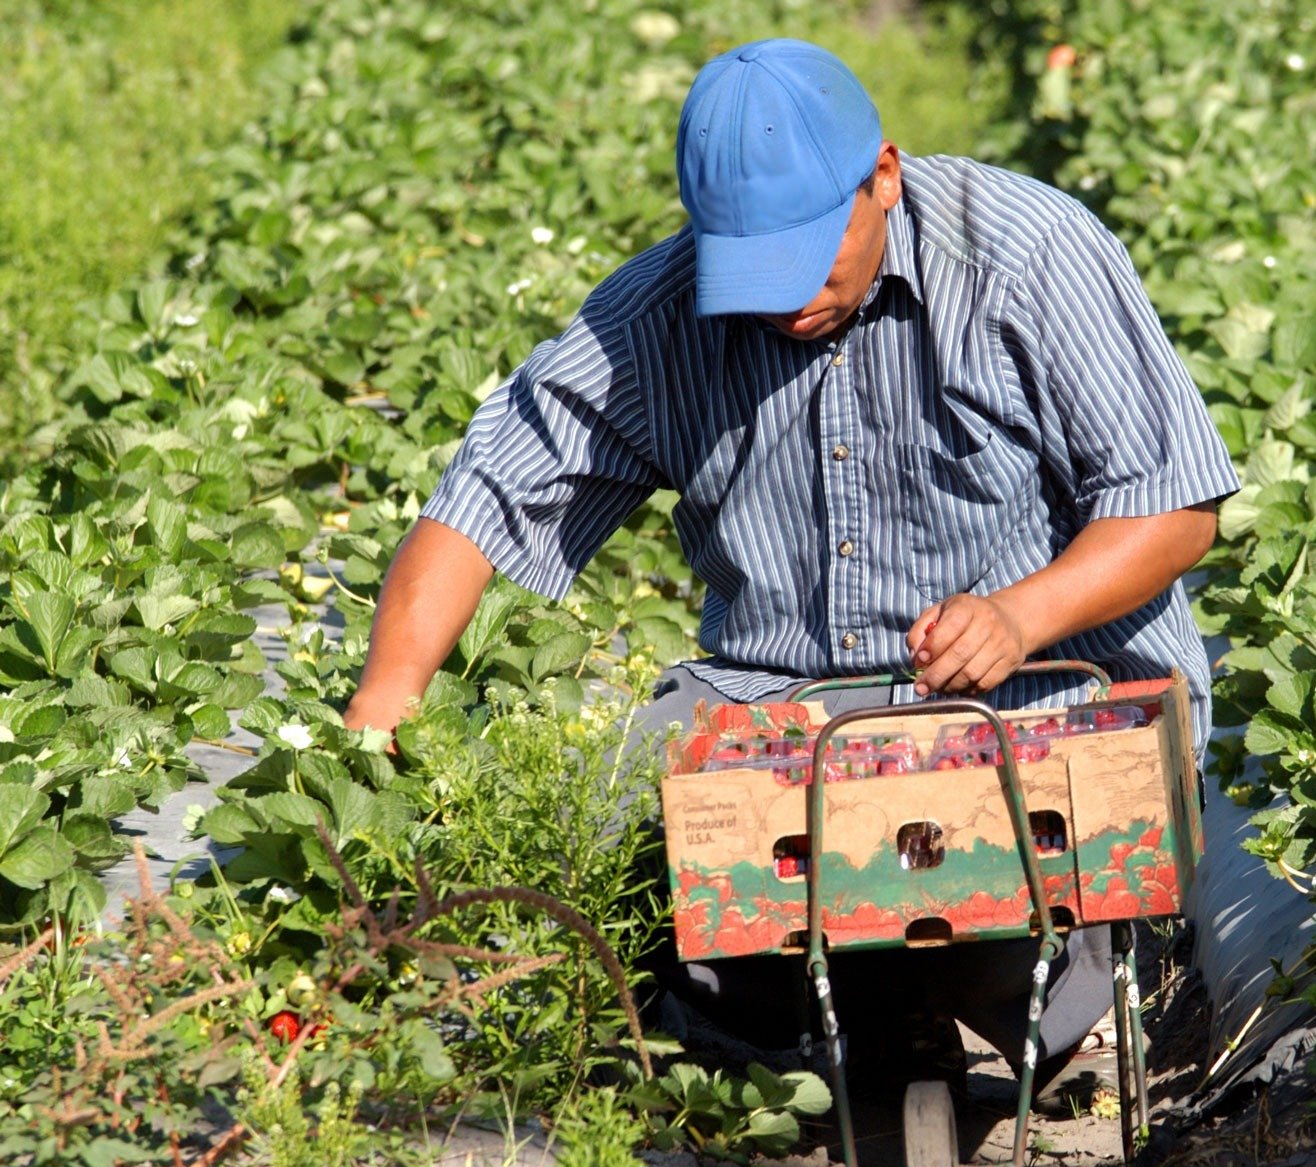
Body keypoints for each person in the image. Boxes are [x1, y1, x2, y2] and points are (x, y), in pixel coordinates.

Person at [343, 38, 1238, 1105]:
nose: (787, 305)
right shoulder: (656, 317)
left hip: (1033, 687)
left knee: (1046, 887)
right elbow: (488, 495)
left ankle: (1056, 999)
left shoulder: (1028, 254)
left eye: (811, 260)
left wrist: (1018, 613)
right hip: (782, 702)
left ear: (886, 176)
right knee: (626, 832)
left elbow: (1177, 506)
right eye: (751, 274)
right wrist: (386, 702)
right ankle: (755, 1032)